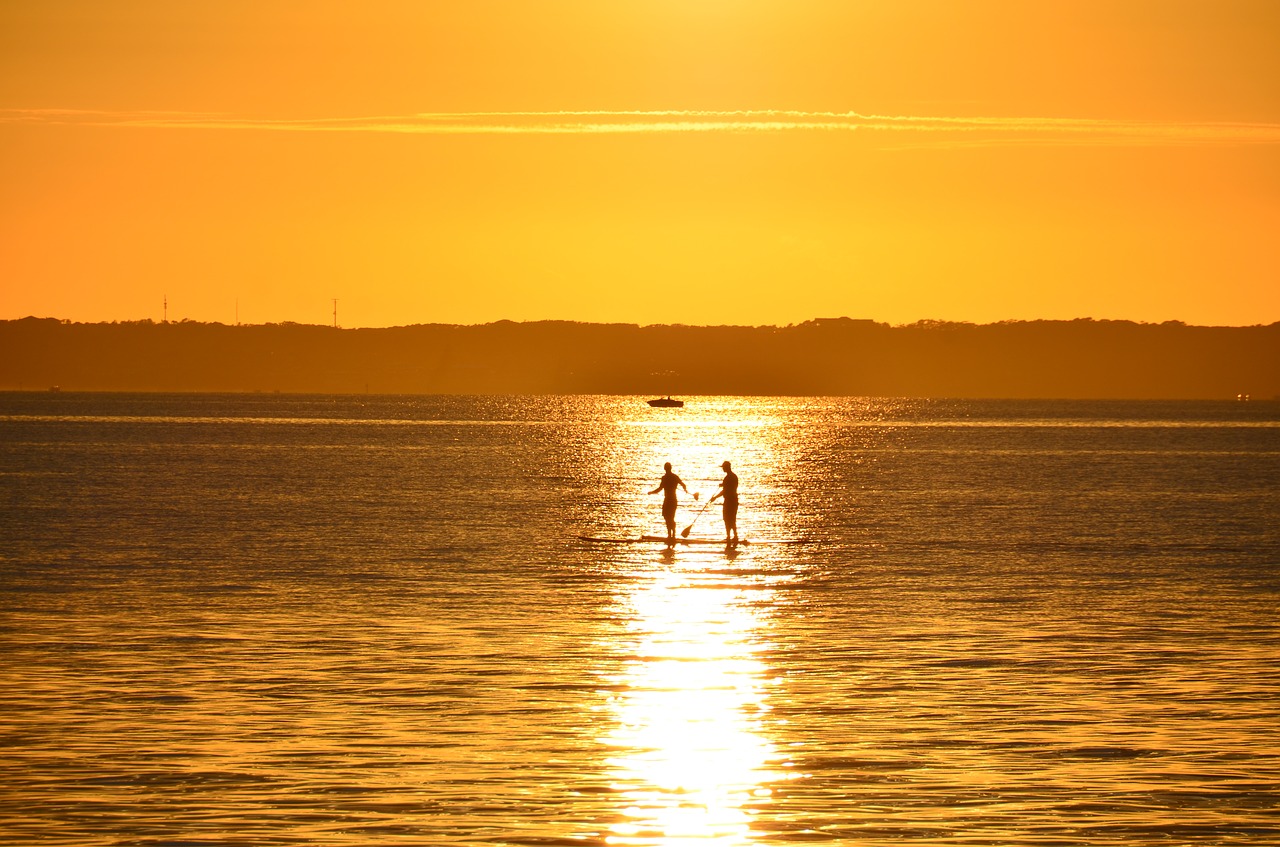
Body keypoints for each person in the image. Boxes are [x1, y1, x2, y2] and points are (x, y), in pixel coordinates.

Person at [649, 462, 690, 543]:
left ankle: (670, 536)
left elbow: (659, 489)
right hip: (673, 500)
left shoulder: (664, 478)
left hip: (668, 500)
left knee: (667, 517)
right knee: (670, 517)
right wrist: (685, 489)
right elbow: (683, 484)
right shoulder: (675, 477)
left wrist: (651, 492)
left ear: (665, 468)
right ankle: (672, 536)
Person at [709, 460, 739, 545]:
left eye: (723, 468)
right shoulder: (734, 476)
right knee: (732, 518)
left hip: (729, 501)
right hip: (734, 500)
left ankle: (729, 537)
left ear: (727, 467)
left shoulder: (727, 478)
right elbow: (731, 486)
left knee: (727, 518)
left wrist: (715, 497)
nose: (723, 469)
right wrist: (723, 484)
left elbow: (725, 491)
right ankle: (735, 536)